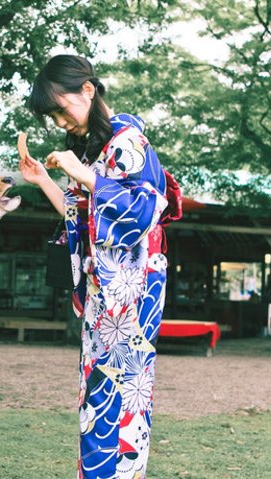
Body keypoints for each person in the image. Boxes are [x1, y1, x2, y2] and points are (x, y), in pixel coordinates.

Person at [19, 54, 170, 479]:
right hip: (102, 292)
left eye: (61, 109)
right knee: (96, 392)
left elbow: (145, 209)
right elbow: (80, 218)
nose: (59, 122)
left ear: (88, 90)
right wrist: (44, 179)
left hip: (133, 289)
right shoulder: (91, 150)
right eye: (52, 116)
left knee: (124, 392)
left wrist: (83, 175)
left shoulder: (128, 141)